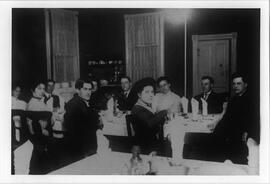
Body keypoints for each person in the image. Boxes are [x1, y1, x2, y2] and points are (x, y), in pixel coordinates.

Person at [213, 73, 260, 164]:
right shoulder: (233, 99)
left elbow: (254, 119)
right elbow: (226, 117)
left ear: (245, 85)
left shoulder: (252, 100)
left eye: (239, 84)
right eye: (234, 84)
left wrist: (248, 132)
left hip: (243, 134)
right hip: (232, 133)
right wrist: (216, 127)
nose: (235, 86)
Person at [64, 78, 102, 160]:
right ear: (77, 90)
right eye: (85, 89)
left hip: (88, 147)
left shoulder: (85, 102)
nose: (88, 92)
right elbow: (73, 130)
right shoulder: (73, 104)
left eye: (90, 89)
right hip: (81, 150)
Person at [131, 78, 168, 154]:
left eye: (152, 92)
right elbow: (150, 123)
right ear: (139, 95)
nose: (151, 95)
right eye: (147, 92)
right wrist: (165, 111)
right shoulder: (137, 108)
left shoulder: (146, 106)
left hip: (151, 143)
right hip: (144, 147)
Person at [26, 81, 52, 174]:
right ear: (33, 90)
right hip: (38, 141)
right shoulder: (33, 104)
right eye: (39, 88)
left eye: (43, 89)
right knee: (39, 167)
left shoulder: (40, 102)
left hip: (43, 141)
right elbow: (33, 126)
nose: (42, 91)